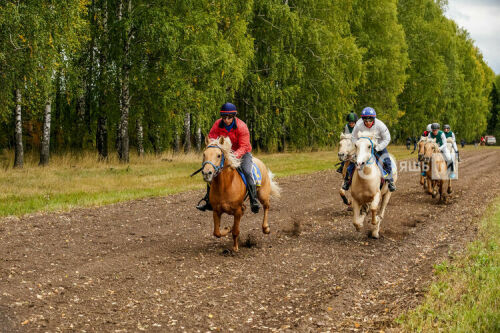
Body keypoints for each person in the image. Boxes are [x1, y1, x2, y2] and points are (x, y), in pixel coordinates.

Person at [196, 102, 260, 213]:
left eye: (229, 117)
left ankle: (253, 200)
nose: (226, 119)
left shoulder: (242, 126)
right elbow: (211, 137)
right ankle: (208, 200)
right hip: (224, 154)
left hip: (242, 153)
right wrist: (212, 147)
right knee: (211, 171)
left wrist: (233, 157)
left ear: (234, 116)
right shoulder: (217, 124)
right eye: (224, 117)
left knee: (247, 171)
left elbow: (244, 146)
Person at [342, 107, 396, 192]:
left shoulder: (380, 125)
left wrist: (378, 148)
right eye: (365, 121)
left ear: (373, 119)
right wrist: (358, 145)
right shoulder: (359, 124)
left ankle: (390, 181)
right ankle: (347, 180)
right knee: (353, 160)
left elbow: (387, 138)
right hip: (363, 146)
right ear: (363, 120)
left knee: (387, 160)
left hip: (378, 144)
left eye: (370, 121)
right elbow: (353, 137)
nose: (367, 123)